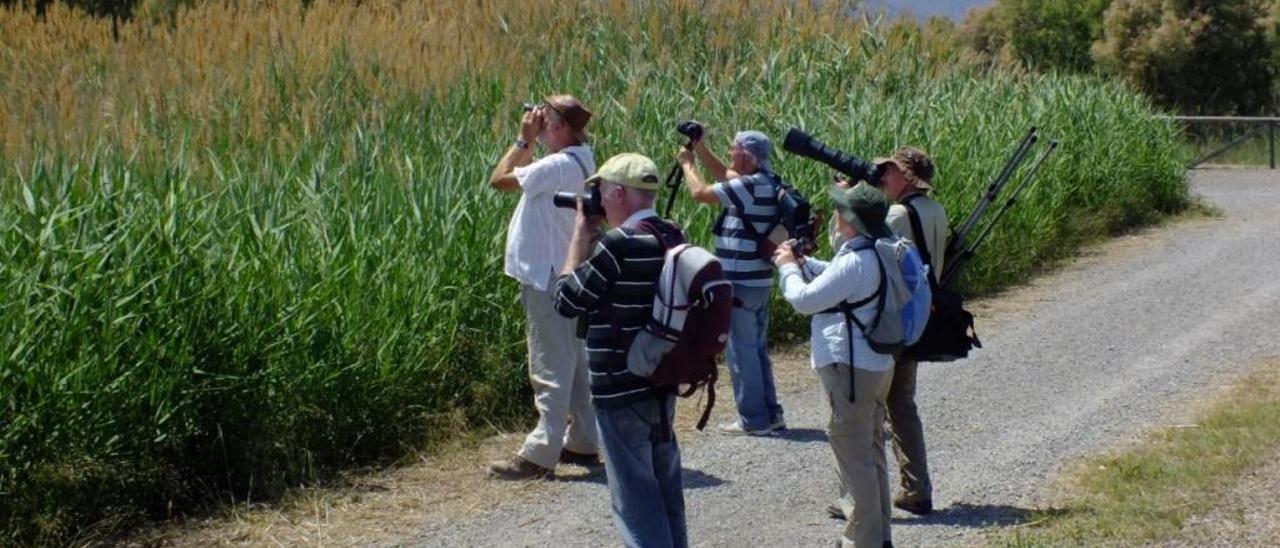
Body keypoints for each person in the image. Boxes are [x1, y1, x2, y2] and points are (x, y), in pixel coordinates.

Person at [554, 153, 688, 548]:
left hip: (619, 384)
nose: (595, 198)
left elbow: (566, 300)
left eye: (598, 191)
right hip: (661, 380)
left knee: (635, 500)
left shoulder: (618, 243)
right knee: (666, 493)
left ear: (616, 193)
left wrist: (581, 234)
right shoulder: (671, 234)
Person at [773, 182, 898, 548]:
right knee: (870, 451)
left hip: (850, 368)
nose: (836, 215)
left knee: (853, 455)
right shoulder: (878, 249)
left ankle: (864, 541)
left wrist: (786, 269)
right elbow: (838, 276)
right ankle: (878, 535)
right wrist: (804, 263)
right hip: (876, 365)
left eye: (842, 211)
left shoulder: (857, 259)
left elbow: (804, 300)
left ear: (852, 221)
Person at [486, 95, 600, 480]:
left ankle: (540, 452)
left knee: (550, 364)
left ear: (559, 127)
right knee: (576, 360)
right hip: (569, 272)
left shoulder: (554, 165)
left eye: (547, 117)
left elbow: (498, 180)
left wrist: (523, 140)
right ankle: (584, 440)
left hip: (547, 275)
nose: (539, 120)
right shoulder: (584, 157)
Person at [676, 130, 786, 436]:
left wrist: (687, 163)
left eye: (734, 148)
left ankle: (754, 419)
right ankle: (771, 413)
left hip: (739, 282)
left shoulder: (748, 186)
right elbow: (726, 174)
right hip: (759, 281)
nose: (729, 152)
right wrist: (701, 148)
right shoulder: (765, 181)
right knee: (757, 350)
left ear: (747, 156)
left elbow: (700, 193)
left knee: (741, 352)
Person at [879, 147, 944, 515]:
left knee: (872, 407)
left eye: (890, 171)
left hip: (893, 320)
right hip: (921, 315)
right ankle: (916, 487)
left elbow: (860, 249)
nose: (885, 177)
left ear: (905, 177)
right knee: (903, 405)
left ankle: (861, 496)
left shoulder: (898, 214)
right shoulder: (935, 210)